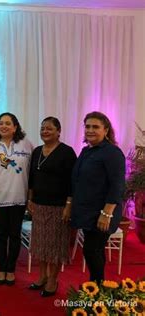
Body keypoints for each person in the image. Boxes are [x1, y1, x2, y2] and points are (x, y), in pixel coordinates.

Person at [70, 111, 125, 282]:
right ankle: (96, 286)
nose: (90, 130)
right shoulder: (87, 151)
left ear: (106, 130)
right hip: (87, 211)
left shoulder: (112, 152)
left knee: (91, 250)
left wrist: (106, 213)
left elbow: (117, 185)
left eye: (95, 127)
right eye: (87, 126)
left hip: (102, 213)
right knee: (94, 250)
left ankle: (97, 286)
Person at [27, 117, 77, 297]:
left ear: (58, 131)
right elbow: (32, 177)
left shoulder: (67, 152)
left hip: (59, 206)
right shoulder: (37, 151)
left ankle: (52, 280)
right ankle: (41, 277)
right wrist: (30, 199)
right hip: (39, 205)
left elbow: (73, 182)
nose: (45, 131)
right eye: (42, 128)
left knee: (55, 245)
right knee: (40, 244)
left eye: (49, 128)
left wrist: (69, 205)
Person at [0, 112, 33, 286]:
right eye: (0, 123)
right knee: (1, 235)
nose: (3, 126)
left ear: (15, 126)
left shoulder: (26, 145)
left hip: (19, 197)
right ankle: (1, 269)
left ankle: (10, 269)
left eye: (8, 123)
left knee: (15, 235)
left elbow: (32, 171)